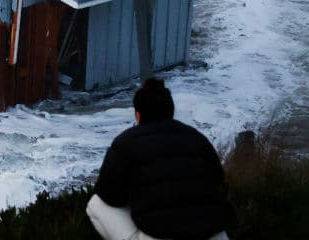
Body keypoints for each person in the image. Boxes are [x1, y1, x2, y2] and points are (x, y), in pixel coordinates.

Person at [87, 77, 230, 240]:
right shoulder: (197, 138)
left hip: (161, 235)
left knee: (96, 203)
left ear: (138, 115)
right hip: (214, 234)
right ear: (171, 112)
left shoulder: (125, 142)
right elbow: (218, 180)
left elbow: (109, 195)